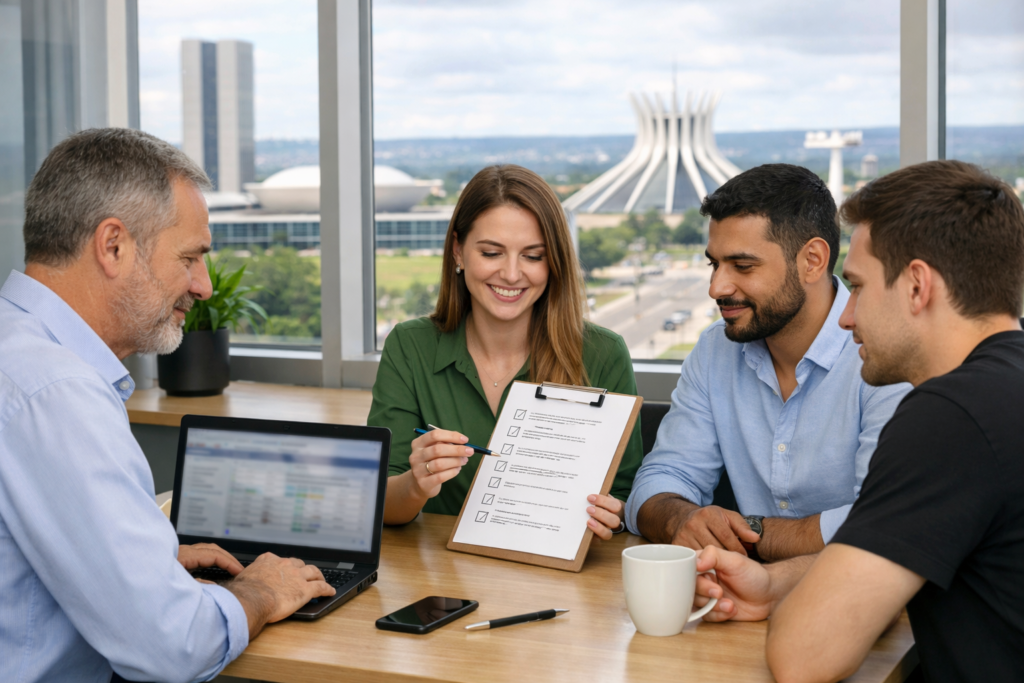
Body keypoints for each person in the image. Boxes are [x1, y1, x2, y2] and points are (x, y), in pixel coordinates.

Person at [0, 128, 335, 683]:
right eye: (190, 258)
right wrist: (258, 592)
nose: (203, 286)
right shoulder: (55, 392)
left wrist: (144, 563)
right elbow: (172, 647)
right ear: (113, 246)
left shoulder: (19, 351)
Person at [694, 160, 1024, 683]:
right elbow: (904, 555)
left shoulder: (949, 420)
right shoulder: (1004, 391)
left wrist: (792, 602)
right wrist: (776, 584)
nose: (847, 316)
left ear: (917, 286)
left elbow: (802, 659)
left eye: (859, 287)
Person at [626, 164, 910, 562]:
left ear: (812, 260)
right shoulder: (714, 350)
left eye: (743, 266)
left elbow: (884, 522)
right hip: (734, 599)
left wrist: (745, 535)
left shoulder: (887, 358)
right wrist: (681, 520)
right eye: (714, 264)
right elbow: (659, 481)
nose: (717, 288)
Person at [368, 164, 642, 539]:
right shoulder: (409, 345)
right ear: (458, 252)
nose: (512, 275)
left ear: (554, 263)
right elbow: (381, 502)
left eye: (533, 256)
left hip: (558, 578)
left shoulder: (603, 354)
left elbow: (626, 494)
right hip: (443, 581)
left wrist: (618, 512)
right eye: (493, 252)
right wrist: (417, 483)